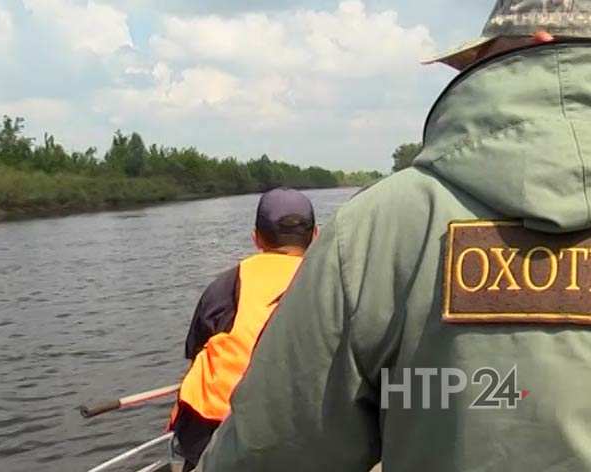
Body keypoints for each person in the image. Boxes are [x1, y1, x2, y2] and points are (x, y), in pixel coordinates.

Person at [196, 1, 591, 471]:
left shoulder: (375, 232)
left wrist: (418, 391)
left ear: (538, 43)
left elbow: (271, 454)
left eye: (488, 56)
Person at [169, 187, 318, 471]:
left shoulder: (222, 288)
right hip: (294, 440)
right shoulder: (335, 284)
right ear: (316, 236)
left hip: (211, 436)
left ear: (256, 239)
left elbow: (196, 359)